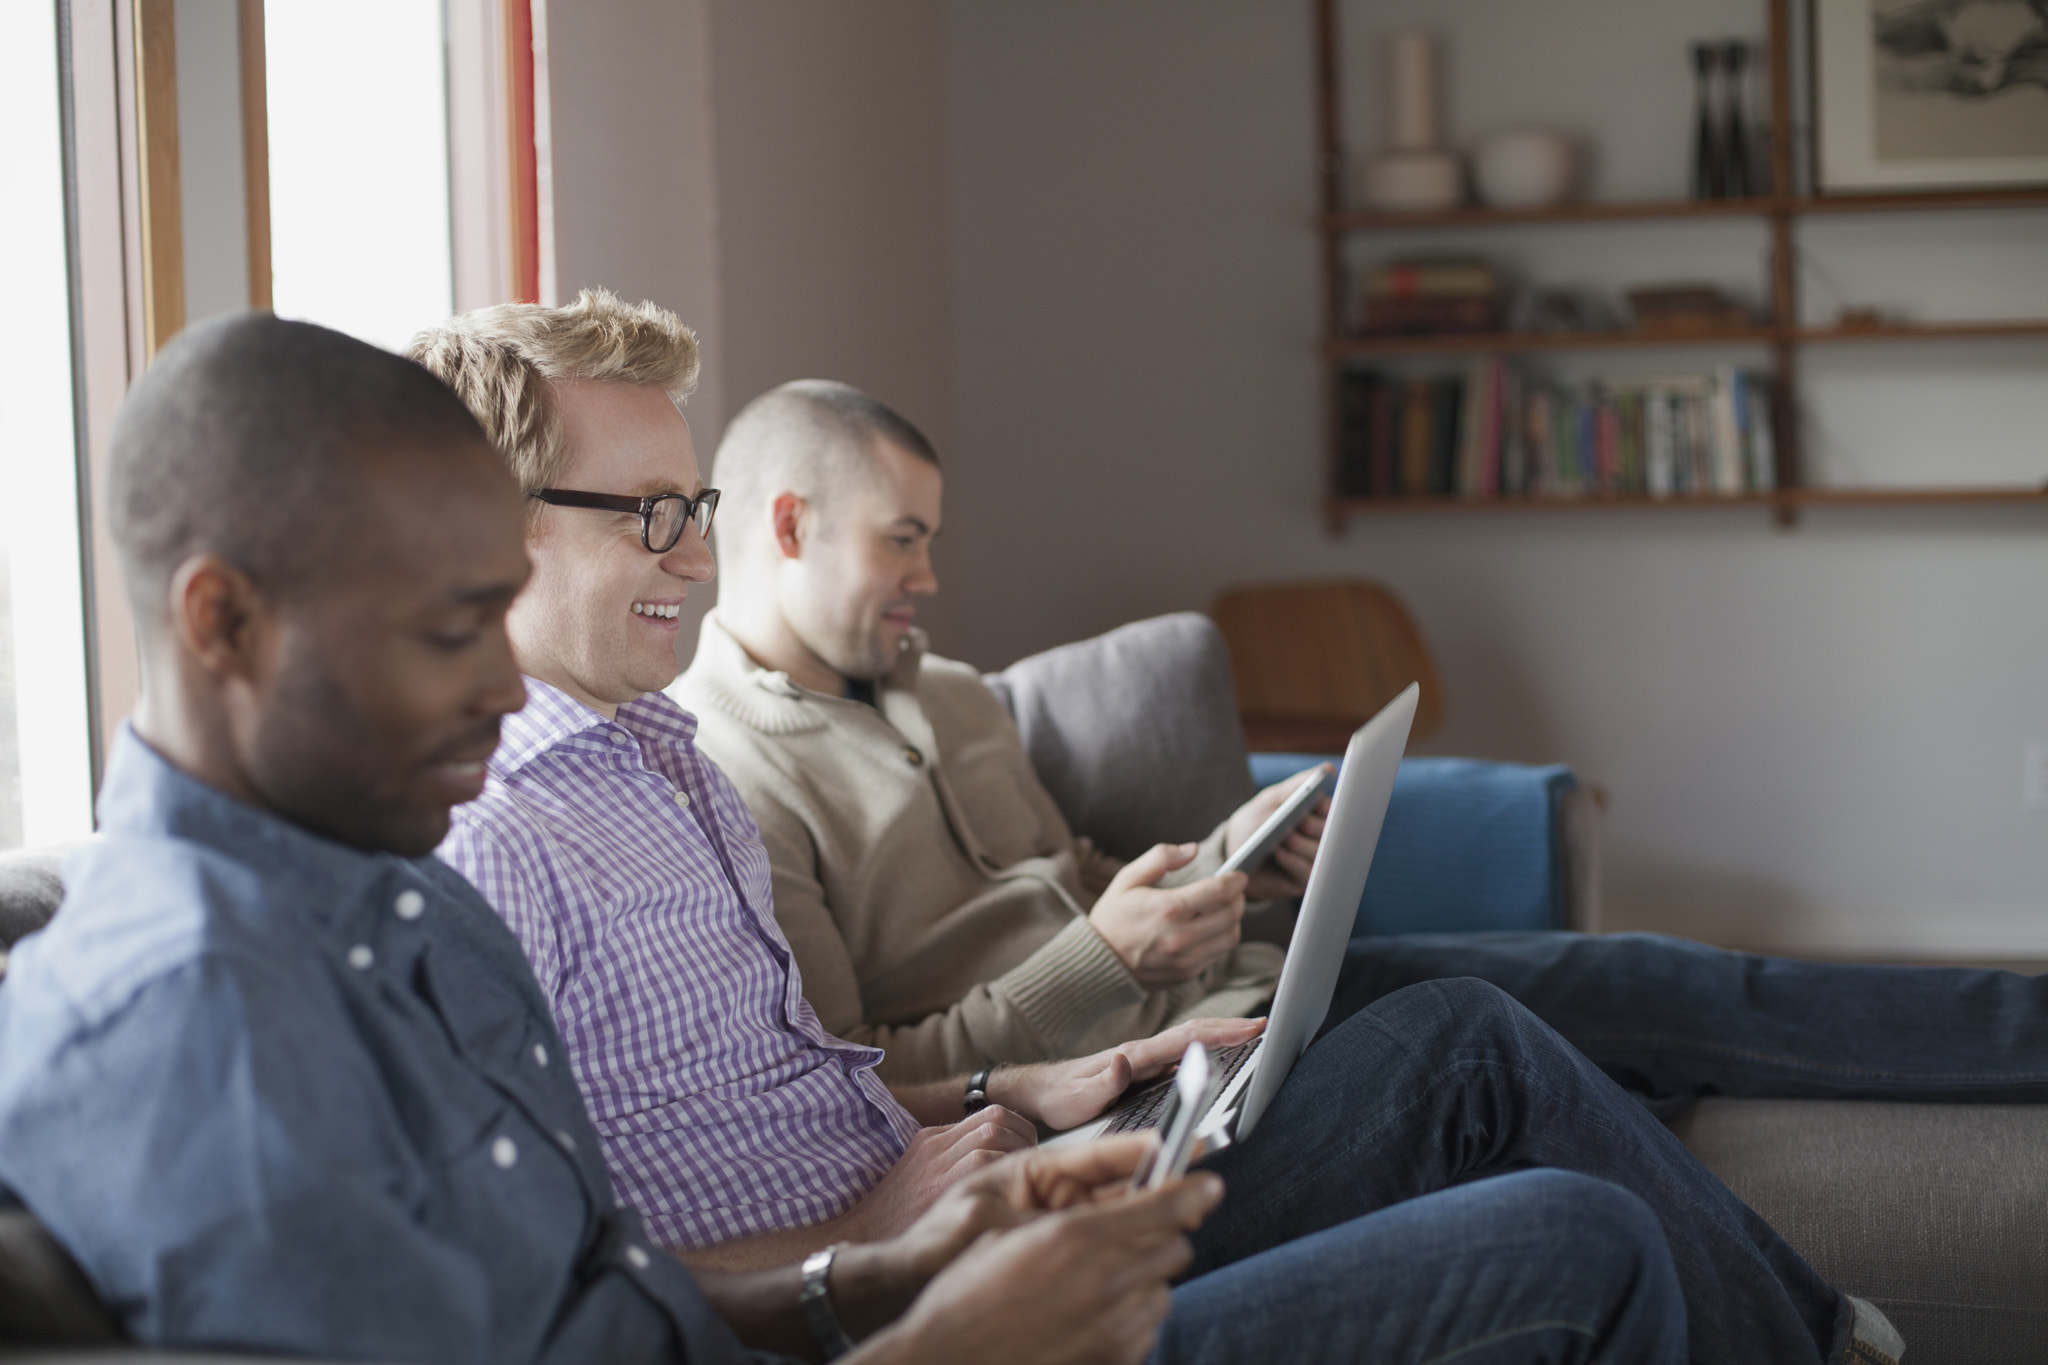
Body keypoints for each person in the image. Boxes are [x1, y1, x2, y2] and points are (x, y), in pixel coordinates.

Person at [418, 294, 1897, 1365]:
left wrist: (1035, 1083)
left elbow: (814, 1073)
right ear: (491, 525)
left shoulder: (660, 762)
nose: (694, 552)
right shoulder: (487, 847)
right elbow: (554, 1282)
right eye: (649, 517)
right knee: (1575, 1219)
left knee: (1479, 1028)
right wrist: (873, 1252)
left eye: (698, 508)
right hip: (905, 1301)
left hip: (978, 1176)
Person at [681, 377, 2048, 1122]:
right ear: (792, 525)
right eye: (904, 537)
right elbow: (863, 1074)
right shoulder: (728, 778)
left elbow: (1078, 870)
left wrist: (1239, 866)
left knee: (1651, 975)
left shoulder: (956, 690)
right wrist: (1108, 958)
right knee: (1581, 1030)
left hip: (1254, 983)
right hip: (1150, 1086)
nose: (930, 572)